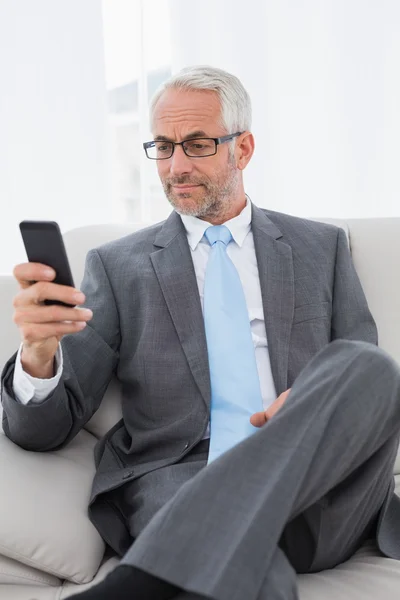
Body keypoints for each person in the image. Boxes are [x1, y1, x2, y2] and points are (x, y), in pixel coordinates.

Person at [2, 65, 400, 600]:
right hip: (182, 484)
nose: (177, 166)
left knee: (370, 368)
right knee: (255, 572)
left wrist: (307, 405)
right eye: (163, 147)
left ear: (244, 147)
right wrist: (37, 355)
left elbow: (366, 394)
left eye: (196, 144)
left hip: (319, 489)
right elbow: (43, 429)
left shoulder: (320, 249)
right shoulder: (119, 267)